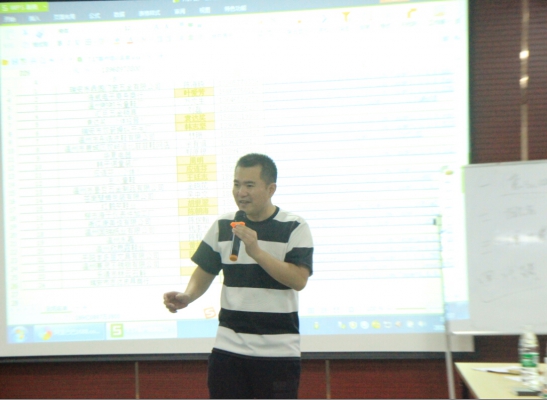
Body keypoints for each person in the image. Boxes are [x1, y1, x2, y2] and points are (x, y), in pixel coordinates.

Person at [163, 153, 314, 399]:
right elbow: (205, 270)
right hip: (228, 350)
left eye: (249, 185)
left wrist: (257, 252)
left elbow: (298, 280)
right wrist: (188, 296)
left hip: (277, 353)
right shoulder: (224, 225)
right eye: (236, 184)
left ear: (271, 189)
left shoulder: (294, 226)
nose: (241, 192)